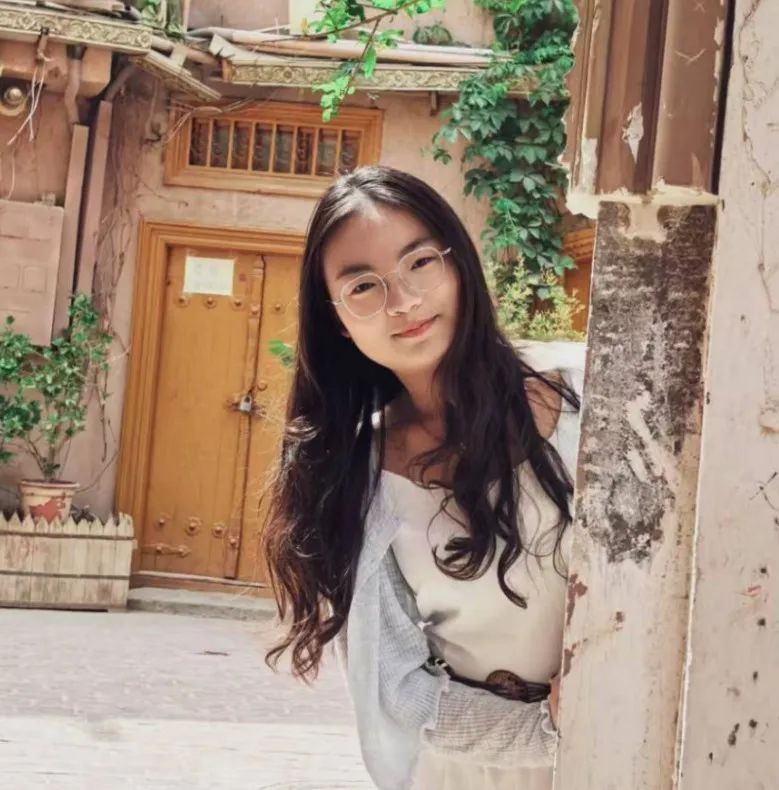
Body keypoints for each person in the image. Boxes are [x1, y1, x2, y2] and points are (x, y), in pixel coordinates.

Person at [262, 165, 582, 790]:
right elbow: (398, 688)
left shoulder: (584, 397)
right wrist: (547, 728)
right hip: (468, 774)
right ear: (337, 319)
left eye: (419, 263)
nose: (403, 302)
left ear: (458, 263)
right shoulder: (356, 477)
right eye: (364, 286)